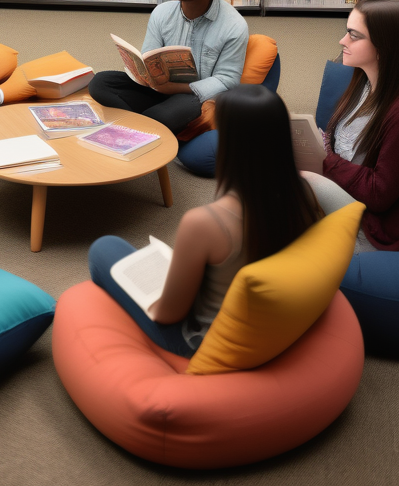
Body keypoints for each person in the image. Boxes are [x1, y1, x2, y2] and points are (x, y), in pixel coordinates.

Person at [88, 85, 323, 357]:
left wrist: (150, 300)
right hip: (268, 324)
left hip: (205, 341)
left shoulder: (204, 223)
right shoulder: (305, 194)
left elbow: (168, 315)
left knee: (104, 248)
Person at [88, 0, 249, 134]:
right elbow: (148, 56)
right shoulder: (162, 12)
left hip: (192, 95)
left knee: (165, 115)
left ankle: (137, 126)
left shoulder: (234, 26)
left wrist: (174, 88)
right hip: (157, 89)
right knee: (100, 82)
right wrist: (143, 72)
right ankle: (145, 128)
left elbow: (227, 80)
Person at [322, 0, 399, 252]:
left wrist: (326, 162)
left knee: (287, 186)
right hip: (348, 196)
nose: (343, 41)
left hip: (374, 228)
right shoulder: (362, 83)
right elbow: (338, 141)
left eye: (354, 35)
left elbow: (379, 193)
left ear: (385, 46)